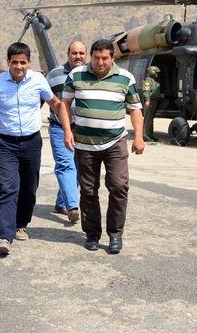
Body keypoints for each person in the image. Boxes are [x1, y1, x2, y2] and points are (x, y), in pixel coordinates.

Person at [0, 42, 70, 257]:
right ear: (8, 62)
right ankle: (4, 237)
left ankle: (21, 224)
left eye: (23, 62)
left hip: (32, 143)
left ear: (29, 63)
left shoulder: (38, 80)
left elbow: (56, 103)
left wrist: (67, 129)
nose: (18, 66)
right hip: (6, 144)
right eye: (14, 62)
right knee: (7, 188)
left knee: (29, 187)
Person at [61, 39, 145, 254]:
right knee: (88, 191)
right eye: (96, 58)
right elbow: (65, 104)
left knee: (119, 186)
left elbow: (135, 109)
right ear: (91, 56)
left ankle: (115, 234)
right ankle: (92, 234)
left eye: (105, 58)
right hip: (85, 144)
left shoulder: (125, 77)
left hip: (115, 142)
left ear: (112, 58)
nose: (100, 62)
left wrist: (139, 137)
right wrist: (68, 131)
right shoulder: (76, 75)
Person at [46, 41, 86, 223]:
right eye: (74, 53)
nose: (78, 56)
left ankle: (61, 202)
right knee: (65, 165)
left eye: (81, 53)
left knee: (78, 167)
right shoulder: (54, 75)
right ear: (68, 54)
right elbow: (41, 98)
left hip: (83, 129)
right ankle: (72, 207)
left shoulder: (90, 74)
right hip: (59, 127)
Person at [142, 66, 161, 142]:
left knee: (151, 119)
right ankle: (145, 136)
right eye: (156, 72)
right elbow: (146, 91)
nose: (157, 74)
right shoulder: (148, 81)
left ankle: (150, 135)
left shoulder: (154, 81)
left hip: (154, 101)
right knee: (147, 119)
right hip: (150, 102)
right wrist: (147, 100)